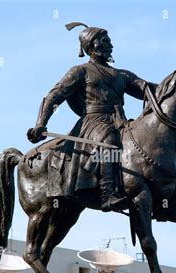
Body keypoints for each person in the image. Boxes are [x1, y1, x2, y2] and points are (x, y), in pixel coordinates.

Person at [27, 22, 156, 212]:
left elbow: (149, 89)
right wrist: (41, 123)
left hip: (120, 121)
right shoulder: (80, 71)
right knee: (109, 141)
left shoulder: (121, 75)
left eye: (110, 41)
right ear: (91, 46)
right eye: (105, 41)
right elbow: (55, 95)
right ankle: (107, 195)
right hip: (94, 121)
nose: (110, 45)